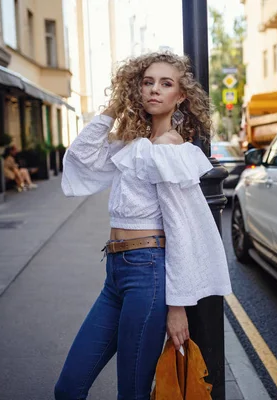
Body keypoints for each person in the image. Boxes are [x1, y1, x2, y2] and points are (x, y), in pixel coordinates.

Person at [54, 52, 232, 400]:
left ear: (180, 96)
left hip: (147, 275)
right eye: (147, 82)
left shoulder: (170, 149)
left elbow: (181, 228)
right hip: (116, 274)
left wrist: (177, 307)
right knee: (68, 388)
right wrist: (113, 107)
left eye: (166, 84)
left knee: (132, 393)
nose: (154, 90)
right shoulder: (133, 143)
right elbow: (79, 156)